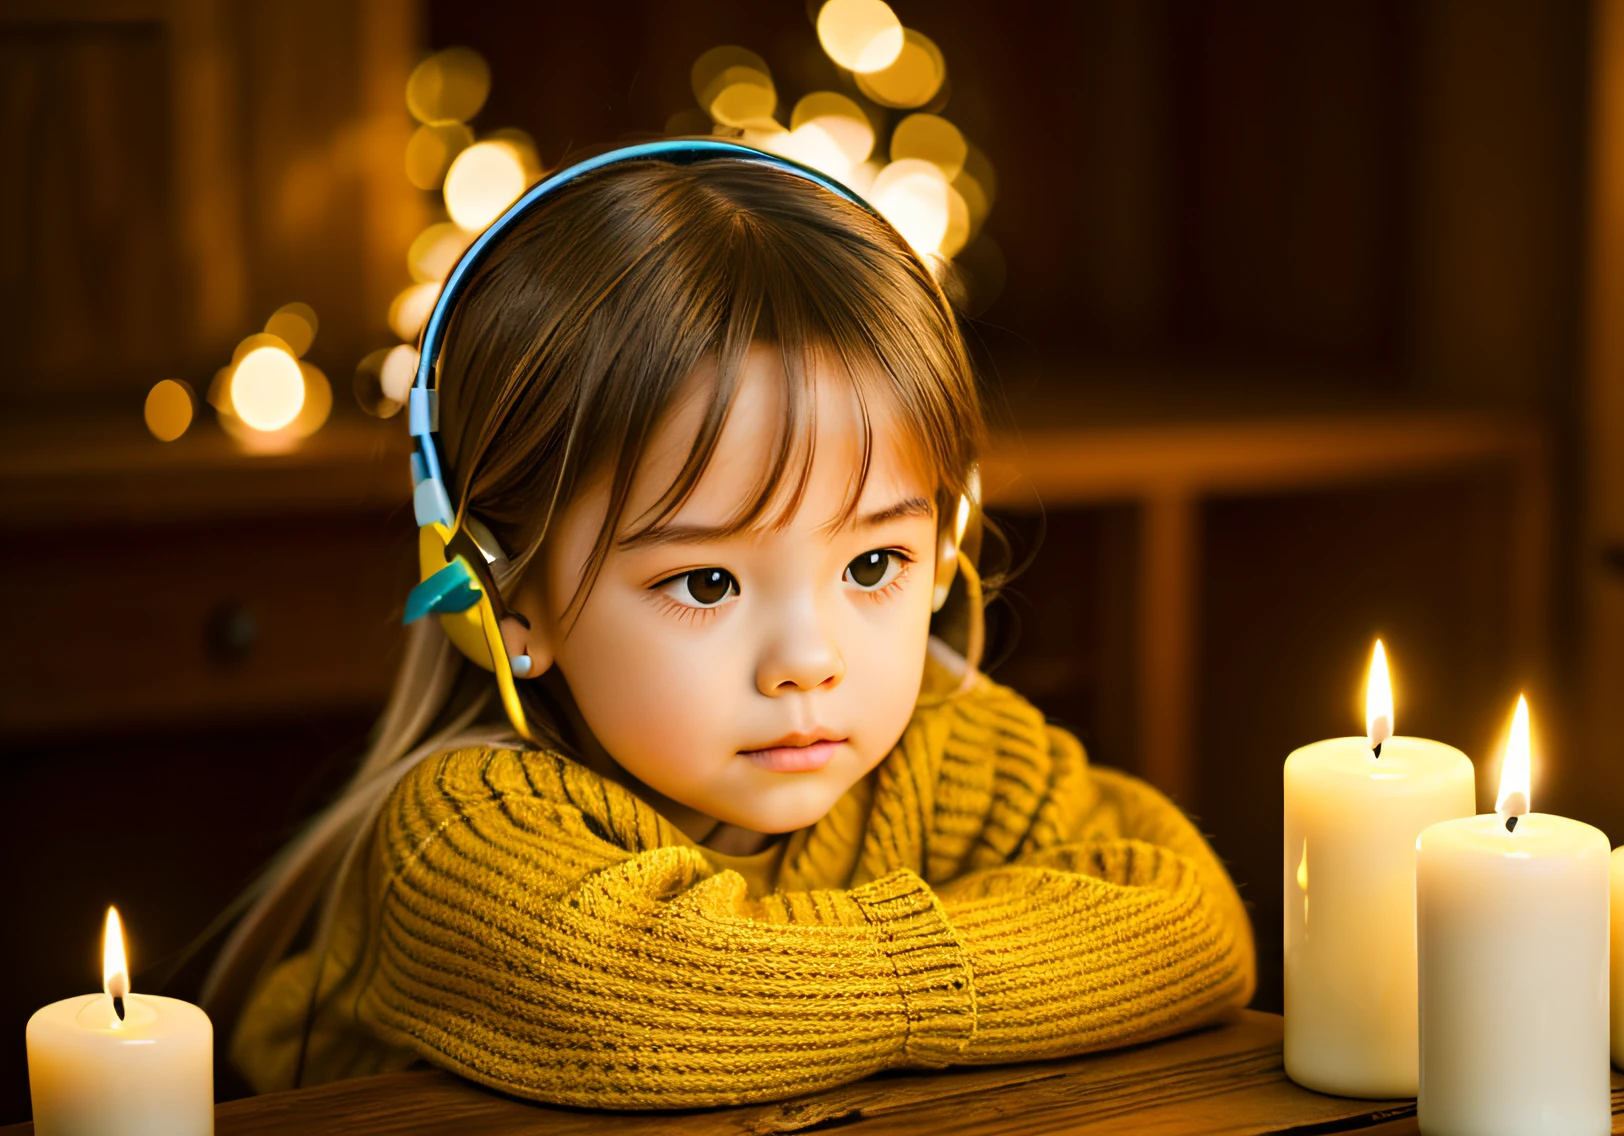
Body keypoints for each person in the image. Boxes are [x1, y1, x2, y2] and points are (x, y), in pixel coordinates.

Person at [202, 146, 1255, 1110]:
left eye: (872, 563)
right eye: (706, 580)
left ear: (945, 543)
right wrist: (1003, 967)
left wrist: (801, 994)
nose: (809, 658)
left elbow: (1188, 925)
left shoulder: (955, 754)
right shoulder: (464, 832)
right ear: (498, 597)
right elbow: (644, 1004)